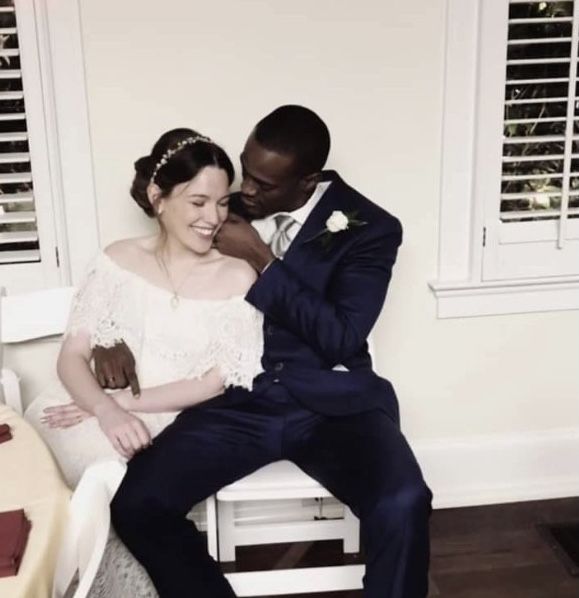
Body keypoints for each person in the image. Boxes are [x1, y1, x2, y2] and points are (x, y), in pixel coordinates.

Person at [103, 106, 432, 598]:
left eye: (263, 184)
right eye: (245, 170)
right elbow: (149, 264)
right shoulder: (220, 207)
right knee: (137, 504)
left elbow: (341, 336)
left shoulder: (371, 228)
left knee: (405, 500)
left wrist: (260, 255)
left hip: (333, 405)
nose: (247, 191)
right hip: (236, 399)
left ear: (309, 181)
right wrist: (110, 332)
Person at [25, 128, 264, 597]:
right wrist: (104, 408)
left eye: (221, 203)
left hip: (166, 420)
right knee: (42, 488)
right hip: (86, 407)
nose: (213, 218)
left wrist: (126, 405)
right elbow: (72, 355)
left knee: (113, 487)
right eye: (198, 202)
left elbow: (214, 382)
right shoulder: (117, 259)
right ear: (158, 197)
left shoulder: (238, 276)